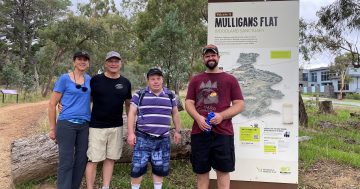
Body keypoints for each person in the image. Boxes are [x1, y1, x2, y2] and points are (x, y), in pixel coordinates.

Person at [185, 44, 244, 189]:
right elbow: (188, 102)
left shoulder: (230, 80)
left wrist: (221, 116)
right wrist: (198, 118)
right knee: (201, 173)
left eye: (213, 55)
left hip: (223, 133)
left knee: (223, 172)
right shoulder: (196, 80)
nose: (210, 58)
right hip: (200, 133)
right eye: (207, 56)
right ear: (203, 59)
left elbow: (239, 104)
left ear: (218, 57)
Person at [127, 68, 182, 189]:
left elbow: (175, 113)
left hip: (162, 139)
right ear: (148, 81)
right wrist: (131, 133)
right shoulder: (139, 94)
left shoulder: (170, 95)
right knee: (137, 168)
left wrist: (178, 131)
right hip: (142, 138)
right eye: (152, 79)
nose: (156, 81)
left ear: (162, 80)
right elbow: (131, 113)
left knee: (159, 168)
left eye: (158, 78)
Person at [85, 51, 132, 189]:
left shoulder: (125, 83)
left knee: (110, 159)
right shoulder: (95, 80)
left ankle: (106, 186)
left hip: (116, 126)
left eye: (116, 61)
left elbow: (128, 104)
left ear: (120, 63)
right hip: (96, 127)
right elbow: (85, 99)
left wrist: (130, 126)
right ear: (105, 63)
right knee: (93, 159)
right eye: (110, 61)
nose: (113, 64)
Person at [48, 51, 91, 189]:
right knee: (66, 161)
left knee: (81, 160)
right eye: (79, 59)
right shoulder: (64, 79)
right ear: (74, 62)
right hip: (66, 124)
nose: (82, 61)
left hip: (84, 125)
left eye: (85, 59)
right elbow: (52, 104)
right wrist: (52, 129)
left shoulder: (90, 79)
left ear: (88, 63)